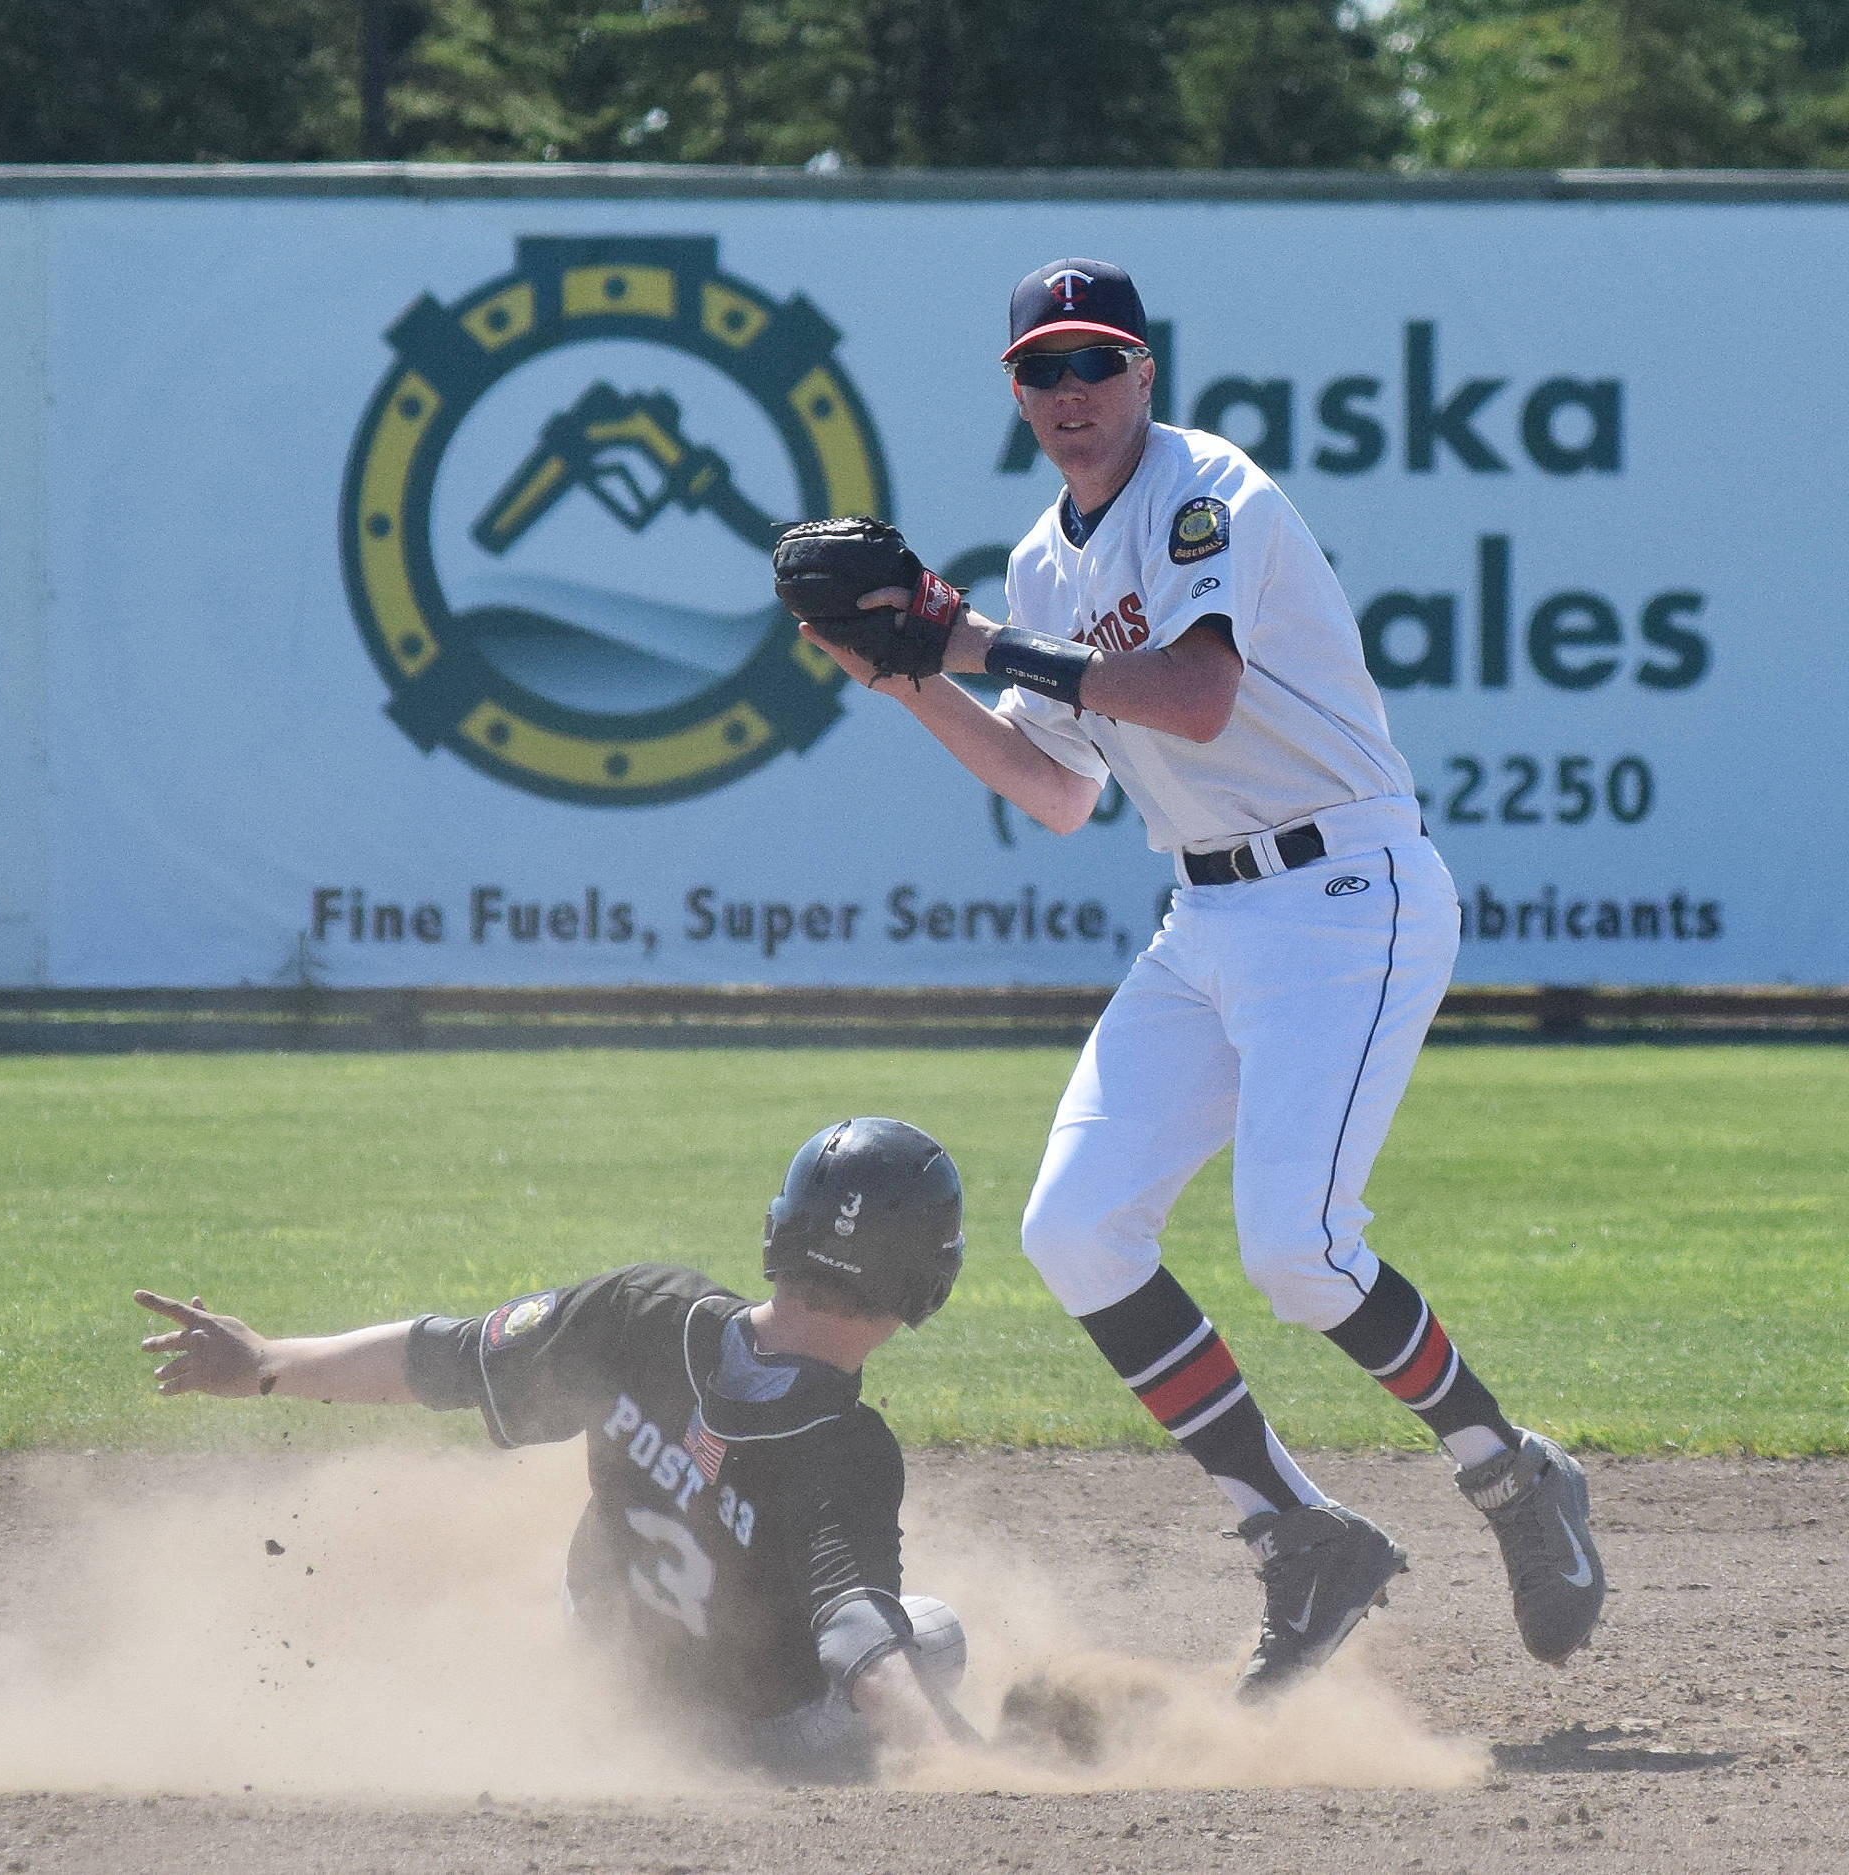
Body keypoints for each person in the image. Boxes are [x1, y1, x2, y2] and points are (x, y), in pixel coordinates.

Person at [791, 259, 1605, 1700]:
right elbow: (1055, 791)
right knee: (1077, 1224)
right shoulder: (1046, 555)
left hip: (1348, 893)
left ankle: (1507, 1468)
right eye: (1043, 370)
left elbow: (1195, 694)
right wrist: (907, 676)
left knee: (1299, 1246)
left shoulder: (1201, 489)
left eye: (1097, 362)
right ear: (1015, 391)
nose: (1072, 395)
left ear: (1145, 373)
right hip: (1207, 915)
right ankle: (1298, 1529)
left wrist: (964, 636)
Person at [134, 1116, 973, 1778]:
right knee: (933, 1637)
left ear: (783, 1230)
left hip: (601, 1660)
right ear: (922, 1282)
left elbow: (451, 1356)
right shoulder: (846, 1448)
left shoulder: (643, 1310)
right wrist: (954, 1764)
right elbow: (859, 1639)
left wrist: (268, 1361)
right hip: (736, 1738)